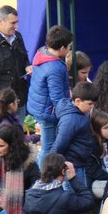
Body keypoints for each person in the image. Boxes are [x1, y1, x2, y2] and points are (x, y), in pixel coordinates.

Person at [27, 25, 73, 166]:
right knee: (48, 148)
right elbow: (57, 98)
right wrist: (67, 114)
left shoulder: (42, 52)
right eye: (69, 47)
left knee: (47, 146)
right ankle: (42, 178)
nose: (70, 50)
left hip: (38, 106)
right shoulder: (55, 67)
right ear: (61, 48)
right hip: (48, 112)